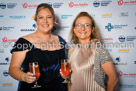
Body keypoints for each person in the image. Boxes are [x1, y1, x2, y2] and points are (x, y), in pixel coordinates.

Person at [9, 3, 68, 91]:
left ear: (54, 20)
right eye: (41, 17)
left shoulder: (61, 41)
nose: (45, 21)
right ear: (36, 20)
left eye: (49, 17)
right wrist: (24, 76)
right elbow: (13, 69)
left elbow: (66, 67)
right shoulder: (23, 42)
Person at [60, 12, 118, 91]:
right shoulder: (71, 49)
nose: (83, 28)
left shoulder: (98, 49)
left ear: (92, 29)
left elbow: (114, 78)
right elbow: (70, 80)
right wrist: (66, 77)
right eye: (79, 25)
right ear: (74, 29)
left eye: (87, 25)